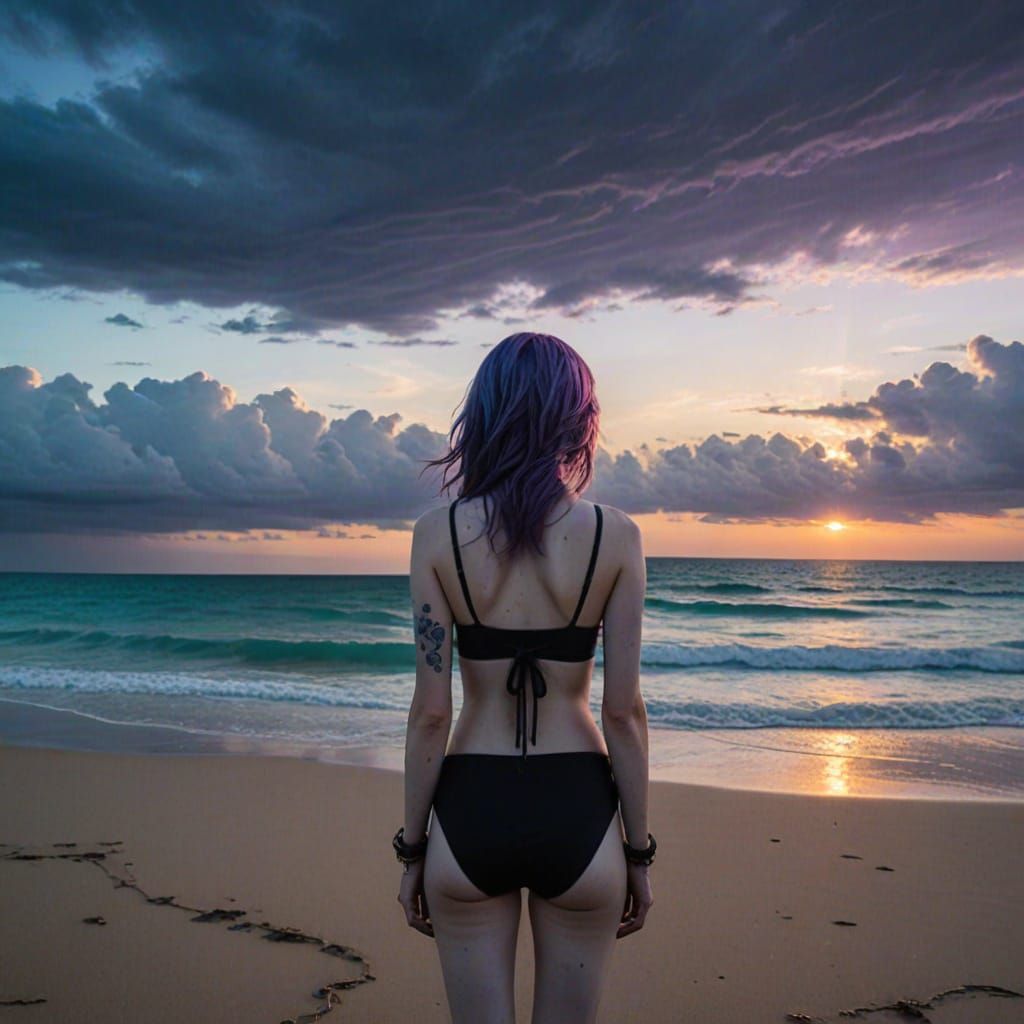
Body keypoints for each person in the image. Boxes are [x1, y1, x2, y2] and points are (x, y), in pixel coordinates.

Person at [396, 332, 654, 1024]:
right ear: (578, 421)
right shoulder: (616, 537)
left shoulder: (436, 535)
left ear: (483, 417)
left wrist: (412, 850)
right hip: (579, 811)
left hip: (470, 809)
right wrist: (638, 853)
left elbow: (429, 714)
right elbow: (625, 713)